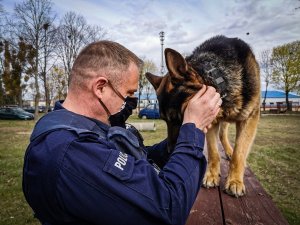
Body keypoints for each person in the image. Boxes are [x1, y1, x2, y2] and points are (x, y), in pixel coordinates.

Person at [22, 41, 221, 225]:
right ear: (100, 87)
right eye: (128, 94)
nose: (130, 103)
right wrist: (193, 129)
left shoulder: (86, 129)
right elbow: (169, 207)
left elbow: (136, 163)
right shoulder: (71, 152)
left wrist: (174, 143)